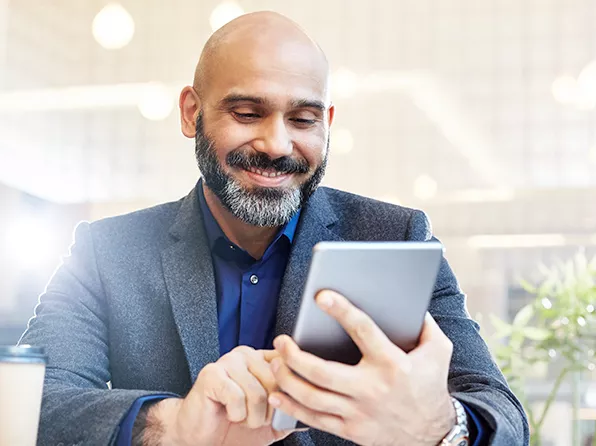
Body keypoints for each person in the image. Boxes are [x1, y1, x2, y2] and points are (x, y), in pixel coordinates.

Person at [20, 11, 529, 446]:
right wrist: (173, 426)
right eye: (247, 112)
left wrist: (439, 425)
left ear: (327, 122)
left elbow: (501, 412)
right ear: (191, 113)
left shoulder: (396, 235)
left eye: (303, 119)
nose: (276, 144)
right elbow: (33, 403)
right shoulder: (105, 251)